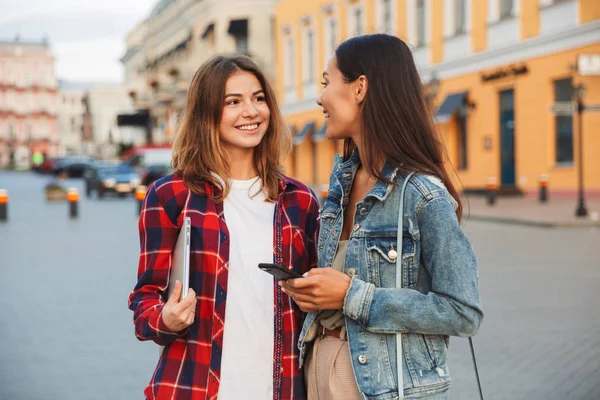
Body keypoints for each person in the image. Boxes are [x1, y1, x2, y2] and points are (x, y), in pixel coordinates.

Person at [280, 34, 483, 400]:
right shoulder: (341, 182)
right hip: (317, 366)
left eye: (327, 82)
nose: (320, 97)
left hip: (382, 386)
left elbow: (462, 311)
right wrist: (312, 291)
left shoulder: (422, 195)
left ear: (360, 88)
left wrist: (352, 296)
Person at [128, 55, 320, 400]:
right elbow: (145, 299)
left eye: (258, 98)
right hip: (193, 388)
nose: (251, 112)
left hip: (282, 389)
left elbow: (314, 305)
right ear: (206, 114)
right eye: (233, 102)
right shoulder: (172, 195)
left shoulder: (299, 201)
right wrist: (165, 319)